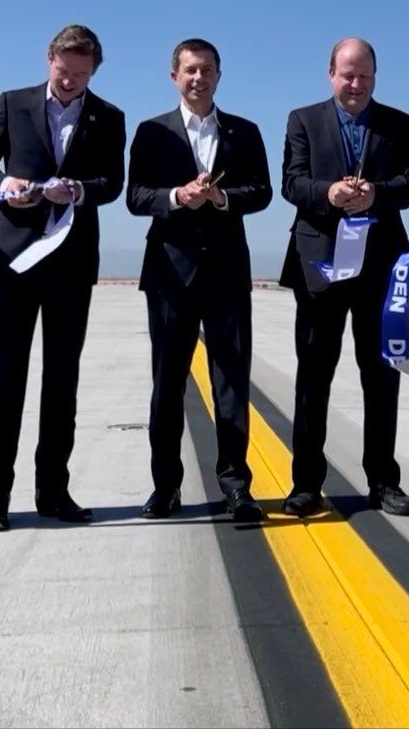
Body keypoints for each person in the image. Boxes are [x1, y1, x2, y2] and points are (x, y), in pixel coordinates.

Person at [0, 24, 126, 531]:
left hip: (72, 265)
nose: (70, 82)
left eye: (81, 75)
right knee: (5, 378)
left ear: (93, 71)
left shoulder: (110, 117)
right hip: (15, 259)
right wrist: (4, 182)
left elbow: (112, 183)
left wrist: (78, 190)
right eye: (63, 72)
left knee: (62, 380)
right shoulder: (12, 103)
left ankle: (53, 491)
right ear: (48, 60)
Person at [127, 39, 273, 522]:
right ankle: (165, 487)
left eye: (206, 70)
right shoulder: (151, 132)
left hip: (227, 275)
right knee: (167, 386)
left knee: (231, 384)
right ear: (174, 76)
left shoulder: (246, 132)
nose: (198, 78)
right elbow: (136, 196)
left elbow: (262, 192)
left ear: (218, 75)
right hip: (171, 275)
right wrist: (176, 196)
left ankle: (236, 487)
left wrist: (220, 198)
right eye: (189, 70)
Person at [278, 38, 409, 518]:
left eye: (363, 75)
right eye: (347, 74)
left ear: (375, 77)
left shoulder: (398, 123)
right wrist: (332, 193)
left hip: (381, 268)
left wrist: (375, 195)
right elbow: (292, 183)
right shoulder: (304, 120)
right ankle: (305, 483)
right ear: (330, 74)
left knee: (382, 377)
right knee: (314, 377)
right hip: (321, 266)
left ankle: (383, 481)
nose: (355, 84)